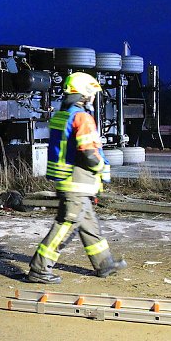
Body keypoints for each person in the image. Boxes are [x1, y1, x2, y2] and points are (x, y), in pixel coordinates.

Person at [27, 72, 127, 284]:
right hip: (78, 183)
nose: (93, 97)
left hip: (69, 181)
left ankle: (104, 264)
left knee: (89, 225)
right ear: (84, 94)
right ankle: (40, 268)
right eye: (92, 93)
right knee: (66, 225)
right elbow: (89, 153)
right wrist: (101, 167)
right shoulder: (82, 117)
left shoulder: (62, 115)